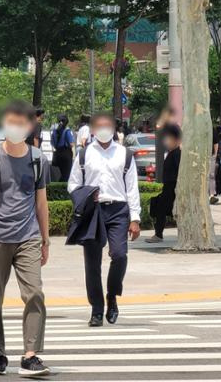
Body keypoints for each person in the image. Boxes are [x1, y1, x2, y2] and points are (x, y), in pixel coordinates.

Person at [0, 100, 51, 376]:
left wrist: (45, 239)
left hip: (28, 235)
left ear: (30, 126)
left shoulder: (38, 159)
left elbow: (41, 202)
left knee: (35, 292)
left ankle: (31, 355)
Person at [67, 113, 141, 327]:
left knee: (119, 255)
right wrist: (87, 194)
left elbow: (132, 188)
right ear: (92, 129)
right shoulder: (83, 154)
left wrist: (135, 218)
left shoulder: (124, 154)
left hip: (118, 210)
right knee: (92, 264)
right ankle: (97, 309)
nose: (103, 129)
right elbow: (73, 185)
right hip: (93, 211)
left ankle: (112, 295)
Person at [146, 124, 181, 243]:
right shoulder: (172, 152)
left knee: (162, 210)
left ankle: (158, 234)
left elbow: (179, 172)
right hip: (168, 186)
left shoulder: (177, 153)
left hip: (172, 187)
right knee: (161, 209)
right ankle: (158, 233)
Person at [51, 114, 75, 182]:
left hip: (57, 153)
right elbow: (71, 144)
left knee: (59, 174)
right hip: (66, 153)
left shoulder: (54, 131)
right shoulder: (67, 131)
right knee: (66, 175)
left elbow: (53, 143)